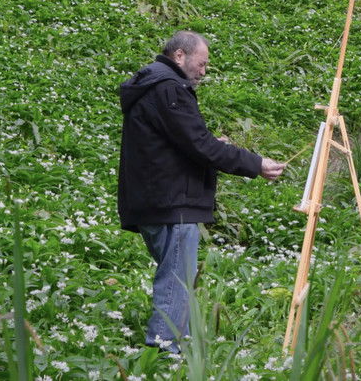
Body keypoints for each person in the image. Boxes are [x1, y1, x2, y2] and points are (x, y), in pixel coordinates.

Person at [117, 30, 286, 353]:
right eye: (202, 63)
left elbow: (180, 143)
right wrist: (256, 164)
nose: (204, 71)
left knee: (178, 277)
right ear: (180, 55)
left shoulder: (152, 86)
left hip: (153, 200)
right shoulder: (169, 88)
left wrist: (208, 146)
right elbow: (199, 144)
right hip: (170, 203)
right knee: (177, 280)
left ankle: (180, 348)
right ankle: (163, 353)